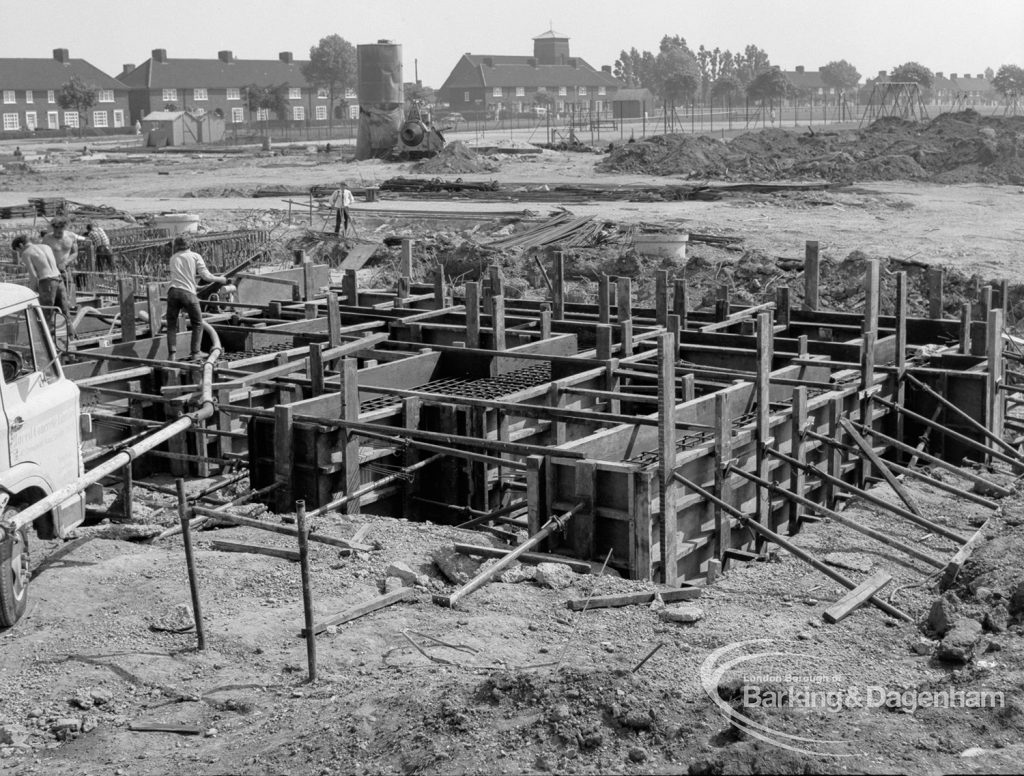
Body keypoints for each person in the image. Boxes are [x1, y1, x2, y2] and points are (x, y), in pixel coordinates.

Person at [166, 234, 227, 361]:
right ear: (189, 244)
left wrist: (196, 287)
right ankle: (195, 352)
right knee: (197, 323)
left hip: (172, 292)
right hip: (188, 294)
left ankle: (172, 354)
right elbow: (206, 277)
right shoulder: (195, 256)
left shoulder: (173, 258)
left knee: (171, 325)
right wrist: (221, 279)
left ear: (176, 246)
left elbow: (181, 278)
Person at [11, 235, 71, 332]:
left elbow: (33, 276)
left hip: (47, 283)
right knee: (65, 311)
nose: (20, 253)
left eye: (18, 251)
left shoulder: (26, 253)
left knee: (46, 314)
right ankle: (71, 337)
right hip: (59, 279)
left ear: (21, 245)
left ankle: (49, 341)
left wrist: (32, 293)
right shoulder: (46, 247)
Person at [41, 217, 79, 306]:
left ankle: (70, 307)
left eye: (60, 232)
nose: (57, 234)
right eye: (55, 231)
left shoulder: (71, 237)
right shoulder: (47, 238)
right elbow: (42, 254)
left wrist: (65, 263)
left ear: (64, 228)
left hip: (66, 269)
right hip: (52, 270)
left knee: (69, 288)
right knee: (53, 291)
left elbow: (75, 253)